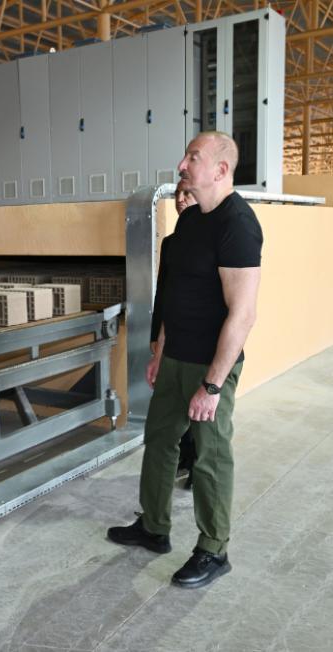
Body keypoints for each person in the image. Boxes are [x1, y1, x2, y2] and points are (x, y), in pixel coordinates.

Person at [109, 132, 263, 589]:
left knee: (210, 457)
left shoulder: (239, 224)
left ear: (220, 169)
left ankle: (214, 549)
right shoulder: (191, 221)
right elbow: (175, 295)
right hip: (175, 356)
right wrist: (159, 349)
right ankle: (154, 526)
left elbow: (243, 314)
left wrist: (212, 386)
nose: (182, 164)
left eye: (193, 157)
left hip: (209, 365)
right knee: (159, 440)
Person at [150, 183, 198, 487]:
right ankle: (184, 456)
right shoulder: (169, 243)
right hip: (170, 336)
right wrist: (155, 337)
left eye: (186, 194)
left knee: (195, 404)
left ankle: (196, 464)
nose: (179, 200)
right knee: (175, 404)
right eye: (177, 194)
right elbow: (163, 294)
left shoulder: (211, 240)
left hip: (197, 341)